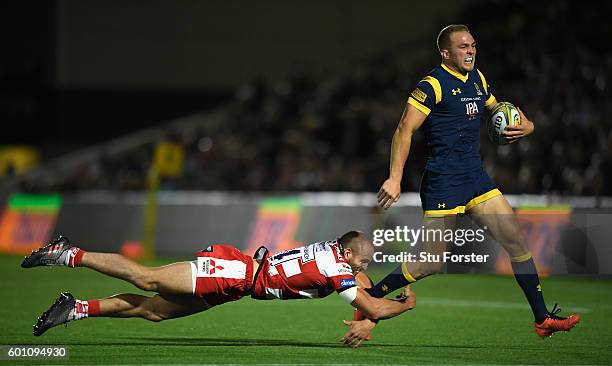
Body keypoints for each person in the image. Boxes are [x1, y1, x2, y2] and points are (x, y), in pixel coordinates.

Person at [343, 24, 580, 344]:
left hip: (475, 178)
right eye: (463, 47)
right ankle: (369, 302)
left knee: (516, 241)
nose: (470, 51)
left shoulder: (478, 79)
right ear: (446, 53)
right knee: (430, 262)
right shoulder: (432, 85)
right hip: (443, 182)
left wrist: (528, 126)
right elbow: (404, 129)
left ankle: (543, 319)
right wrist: (395, 177)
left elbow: (498, 110)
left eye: (473, 46)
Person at [21, 231, 415, 339]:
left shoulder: (335, 251)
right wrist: (398, 308)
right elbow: (373, 304)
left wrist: (371, 299)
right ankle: (69, 253)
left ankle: (72, 308)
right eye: (364, 260)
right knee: (148, 277)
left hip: (239, 283)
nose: (366, 267)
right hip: (235, 272)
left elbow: (362, 285)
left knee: (155, 312)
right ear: (347, 255)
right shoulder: (336, 266)